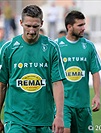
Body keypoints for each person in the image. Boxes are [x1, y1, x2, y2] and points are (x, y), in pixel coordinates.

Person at [0, 5, 65, 133]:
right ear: (20, 23)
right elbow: (2, 85)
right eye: (28, 26)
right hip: (16, 121)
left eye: (35, 26)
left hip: (44, 120)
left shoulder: (52, 48)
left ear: (42, 23)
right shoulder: (9, 48)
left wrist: (59, 116)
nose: (31, 30)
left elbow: (57, 83)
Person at [55, 10, 101, 133]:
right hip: (64, 103)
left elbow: (95, 73)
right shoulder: (56, 46)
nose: (83, 28)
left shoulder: (89, 46)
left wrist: (97, 95)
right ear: (69, 27)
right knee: (64, 130)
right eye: (80, 25)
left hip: (83, 104)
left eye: (84, 24)